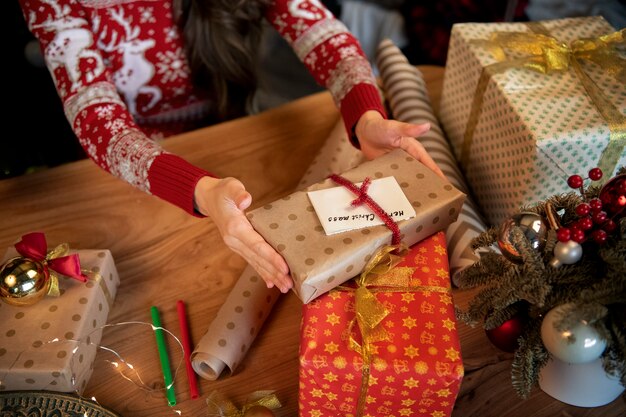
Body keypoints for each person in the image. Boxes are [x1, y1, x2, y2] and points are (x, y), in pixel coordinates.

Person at [19, 0, 443, 293]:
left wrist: (365, 116)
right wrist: (201, 191)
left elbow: (320, 31)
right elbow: (96, 118)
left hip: (228, 142)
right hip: (133, 175)